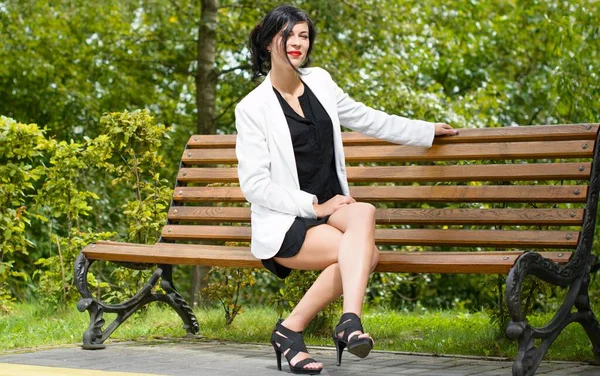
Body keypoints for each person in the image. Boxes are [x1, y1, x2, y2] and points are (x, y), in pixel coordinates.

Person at [235, 4, 457, 375]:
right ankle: (296, 329)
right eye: (287, 34)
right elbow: (254, 185)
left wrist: (425, 131)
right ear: (268, 41)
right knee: (364, 256)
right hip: (288, 221)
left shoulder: (319, 81)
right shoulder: (253, 107)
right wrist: (314, 206)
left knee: (364, 212)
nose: (296, 42)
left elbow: (366, 117)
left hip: (334, 208)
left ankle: (345, 320)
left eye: (303, 35)